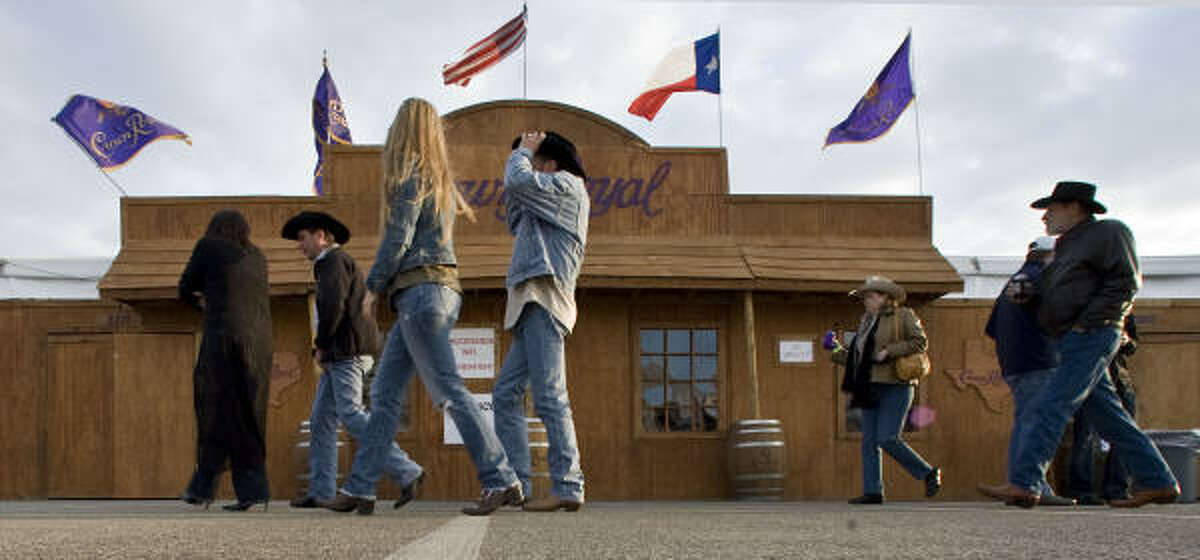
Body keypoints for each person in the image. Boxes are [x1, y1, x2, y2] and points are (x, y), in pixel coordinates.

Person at [325, 98, 521, 516]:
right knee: (385, 392)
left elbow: (398, 237)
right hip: (435, 293)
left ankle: (501, 479)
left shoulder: (409, 174)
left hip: (420, 293)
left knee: (448, 389)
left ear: (403, 130)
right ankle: (361, 487)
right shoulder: (437, 180)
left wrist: (372, 287)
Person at [978, 181, 1178, 508]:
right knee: (1109, 416)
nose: (1045, 217)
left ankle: (1026, 483)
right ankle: (1158, 480)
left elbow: (1126, 281)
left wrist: (1091, 322)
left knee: (1052, 404)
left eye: (1051, 209)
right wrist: (1034, 295)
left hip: (1091, 332)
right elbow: (1066, 290)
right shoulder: (1067, 246)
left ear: (1075, 207)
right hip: (1072, 336)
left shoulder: (1109, 233)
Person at [282, 211, 425, 509]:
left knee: (351, 414)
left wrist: (320, 344)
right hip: (340, 355)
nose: (300, 246)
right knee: (322, 420)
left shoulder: (332, 262)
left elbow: (333, 306)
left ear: (321, 236)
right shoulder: (331, 263)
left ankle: (407, 471)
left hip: (346, 353)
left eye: (303, 238)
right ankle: (321, 491)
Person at [492, 131, 590, 512]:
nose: (530, 166)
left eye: (536, 160)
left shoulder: (569, 185)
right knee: (506, 394)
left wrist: (521, 152)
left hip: (545, 299)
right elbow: (515, 213)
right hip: (532, 302)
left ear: (551, 163)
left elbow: (517, 181)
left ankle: (568, 485)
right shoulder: (548, 198)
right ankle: (518, 483)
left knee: (549, 395)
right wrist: (522, 166)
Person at [178, 209, 273, 512]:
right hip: (259, 342)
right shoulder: (258, 257)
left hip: (225, 337)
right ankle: (241, 489)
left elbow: (185, 286)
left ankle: (208, 487)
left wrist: (203, 301)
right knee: (247, 413)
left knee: (217, 408)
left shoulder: (209, 247)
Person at [984, 236, 1076, 506]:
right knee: (1036, 423)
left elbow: (991, 329)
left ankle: (1021, 483)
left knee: (1025, 422)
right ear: (1052, 256)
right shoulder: (1043, 279)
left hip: (1014, 364)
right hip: (1040, 360)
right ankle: (1033, 485)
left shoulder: (1009, 285)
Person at [833, 275, 941, 504]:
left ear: (885, 297)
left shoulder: (904, 316)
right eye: (864, 298)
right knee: (869, 442)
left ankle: (928, 472)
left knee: (888, 438)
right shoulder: (865, 322)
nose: (866, 301)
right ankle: (873, 491)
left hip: (897, 385)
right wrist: (836, 352)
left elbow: (920, 341)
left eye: (870, 296)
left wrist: (890, 350)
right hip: (870, 386)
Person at [1065, 316, 1139, 505]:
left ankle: (1117, 488)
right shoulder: (1086, 306)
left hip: (1119, 378)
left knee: (1126, 432)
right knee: (1086, 434)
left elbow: (1133, 345)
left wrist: (1127, 341)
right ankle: (1082, 489)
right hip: (1091, 376)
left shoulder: (1125, 311)